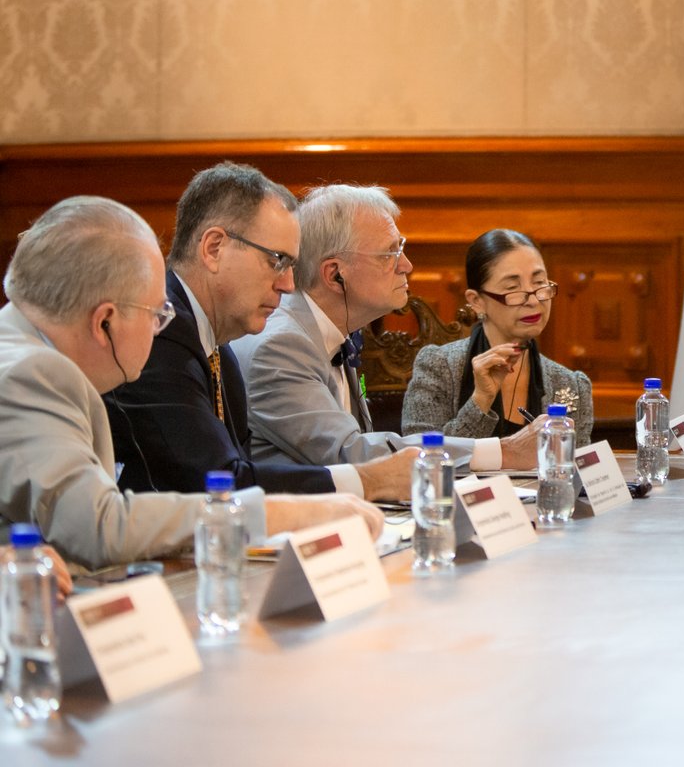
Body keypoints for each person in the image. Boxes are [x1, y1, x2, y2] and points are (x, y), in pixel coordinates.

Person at [0, 196, 383, 569]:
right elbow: (99, 526)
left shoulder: (24, 352)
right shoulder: (33, 373)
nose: (161, 326)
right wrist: (280, 513)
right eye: (156, 313)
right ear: (105, 322)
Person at [103, 162, 415, 501]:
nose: (288, 284)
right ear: (214, 248)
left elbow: (236, 470)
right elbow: (220, 484)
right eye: (276, 261)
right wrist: (366, 481)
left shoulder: (218, 346)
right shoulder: (158, 333)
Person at [229, 184, 541, 469]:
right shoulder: (280, 346)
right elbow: (352, 453)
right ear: (335, 274)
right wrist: (504, 451)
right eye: (390, 253)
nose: (407, 265)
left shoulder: (337, 328)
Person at [403, 228, 593, 444]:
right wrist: (481, 400)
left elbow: (575, 470)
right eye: (513, 288)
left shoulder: (570, 383)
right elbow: (421, 456)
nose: (533, 301)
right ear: (476, 301)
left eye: (540, 283)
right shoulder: (438, 367)